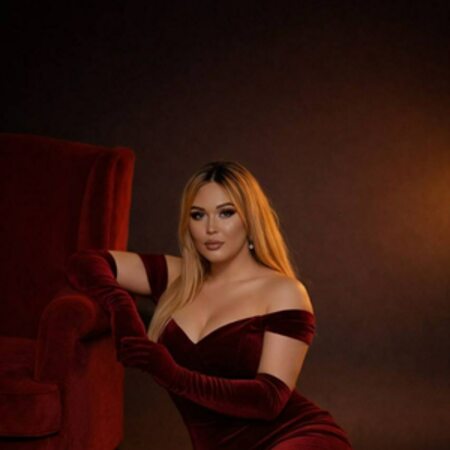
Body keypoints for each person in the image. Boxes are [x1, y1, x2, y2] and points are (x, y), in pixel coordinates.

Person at [65, 161, 353, 450]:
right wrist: (121, 307)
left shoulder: (283, 291)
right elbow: (86, 262)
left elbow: (268, 400)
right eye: (198, 215)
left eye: (226, 213)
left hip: (296, 438)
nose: (210, 228)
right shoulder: (177, 277)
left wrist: (171, 374)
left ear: (250, 219)